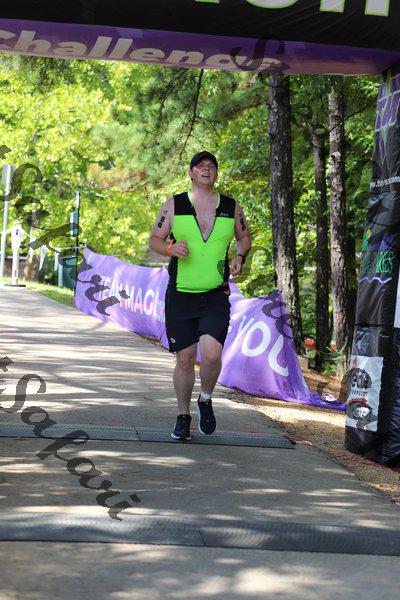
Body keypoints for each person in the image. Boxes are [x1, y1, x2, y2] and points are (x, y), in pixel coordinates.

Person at [149, 151, 252, 440]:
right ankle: (183, 416)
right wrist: (171, 249)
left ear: (216, 174)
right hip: (181, 295)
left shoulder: (231, 207)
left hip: (215, 295)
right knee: (184, 359)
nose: (207, 170)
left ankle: (205, 398)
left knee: (212, 353)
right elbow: (154, 240)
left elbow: (245, 237)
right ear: (191, 173)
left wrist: (240, 257)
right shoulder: (174, 204)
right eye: (200, 166)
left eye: (212, 166)